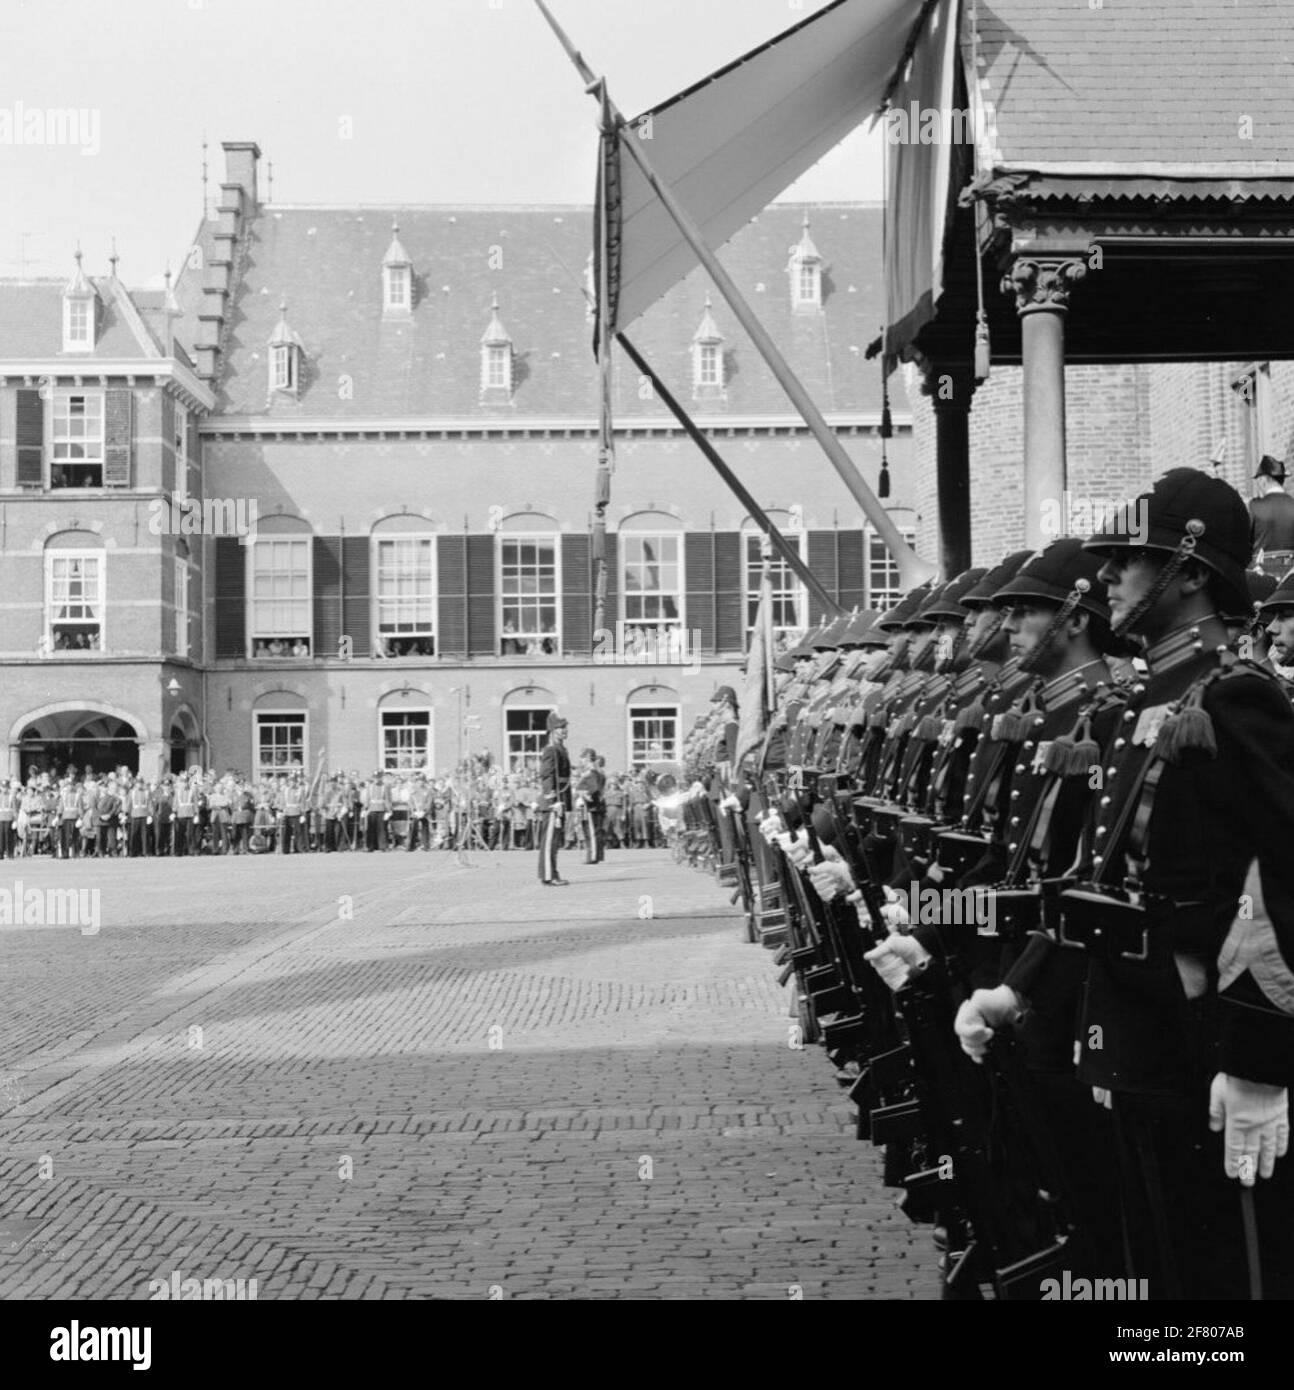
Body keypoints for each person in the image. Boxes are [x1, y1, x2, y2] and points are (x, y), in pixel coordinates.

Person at [959, 468, 1294, 1300]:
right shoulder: (1146, 697)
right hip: (1133, 1026)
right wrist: (1020, 987)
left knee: (1223, 1280)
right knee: (1155, 1264)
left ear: (1187, 570)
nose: (1105, 576)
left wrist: (1262, 1059)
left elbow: (1279, 878)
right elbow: (1095, 882)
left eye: (1126, 560)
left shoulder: (1238, 695)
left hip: (1207, 1041)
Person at [537, 712, 572, 886]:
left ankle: (552, 872)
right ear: (552, 730)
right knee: (549, 840)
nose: (565, 730)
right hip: (554, 801)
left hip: (561, 798)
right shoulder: (551, 750)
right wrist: (553, 801)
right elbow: (546, 775)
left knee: (555, 841)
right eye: (561, 727)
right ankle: (548, 875)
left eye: (565, 727)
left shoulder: (561, 748)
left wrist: (567, 803)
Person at [1249, 454, 1294, 575]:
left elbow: (1242, 544)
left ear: (1263, 480)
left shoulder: (1254, 506)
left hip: (1261, 577)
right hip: (1291, 578)